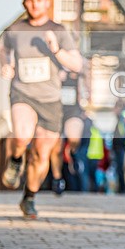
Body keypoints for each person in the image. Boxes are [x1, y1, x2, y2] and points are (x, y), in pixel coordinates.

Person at [0, 0, 82, 218]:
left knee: (41, 154)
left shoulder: (59, 31)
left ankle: (29, 197)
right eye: (29, 0)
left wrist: (56, 50)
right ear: (24, 3)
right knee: (23, 135)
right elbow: (3, 51)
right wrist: (6, 65)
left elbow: (77, 64)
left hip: (50, 99)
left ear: (47, 2)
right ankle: (15, 160)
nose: (34, 4)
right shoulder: (14, 30)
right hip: (22, 93)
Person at [49, 66, 86, 195]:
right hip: (55, 110)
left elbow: (86, 76)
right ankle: (57, 179)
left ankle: (73, 154)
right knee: (56, 147)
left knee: (74, 137)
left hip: (73, 109)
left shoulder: (75, 63)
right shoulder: (51, 61)